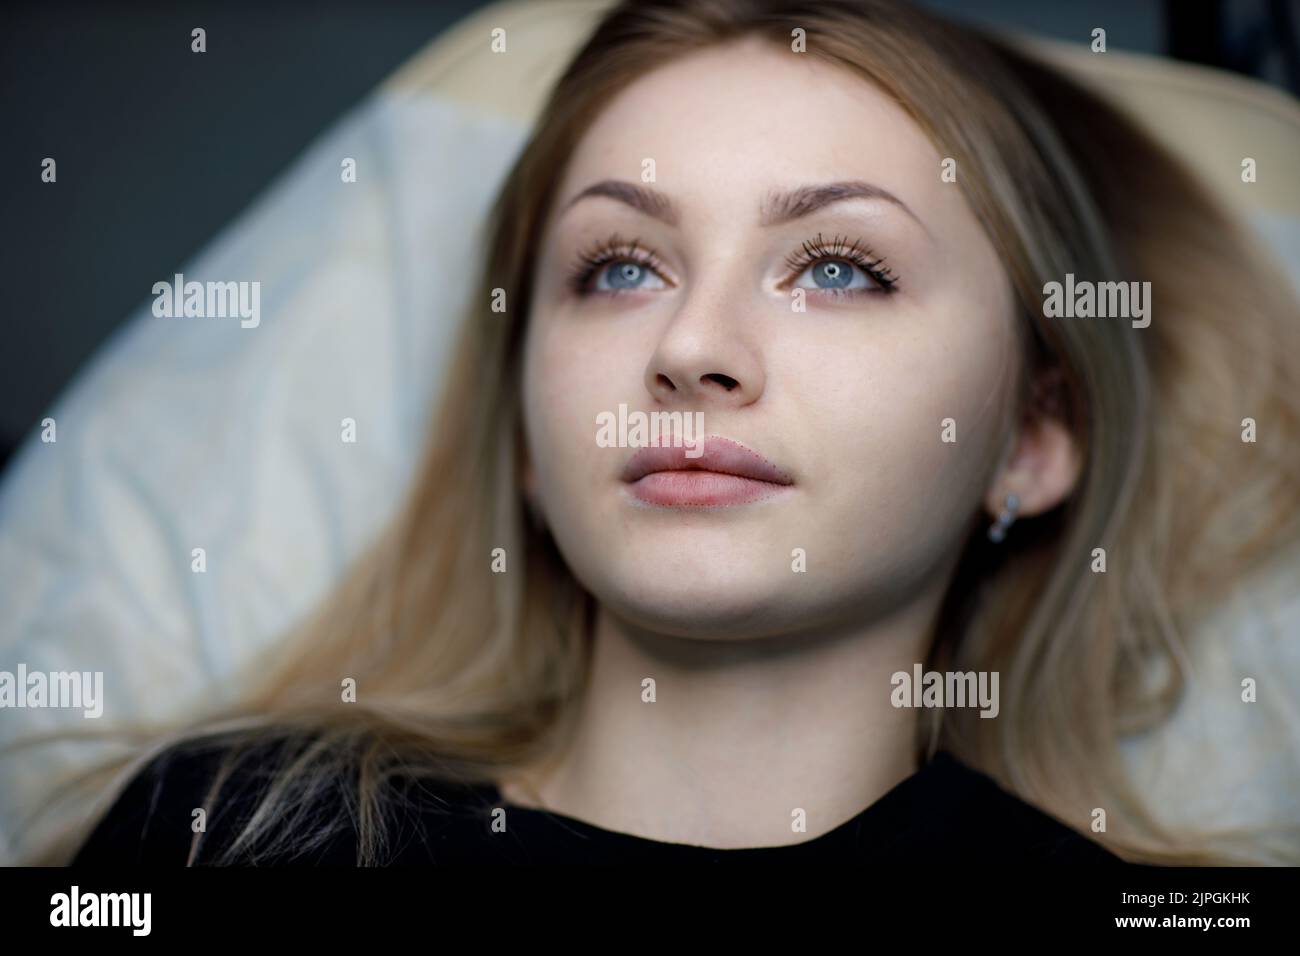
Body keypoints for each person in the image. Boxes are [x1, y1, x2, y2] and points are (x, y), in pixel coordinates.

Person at [62, 0, 1300, 865]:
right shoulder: (224, 830)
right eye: (616, 269)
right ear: (531, 441)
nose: (690, 345)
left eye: (837, 268)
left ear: (1031, 438)